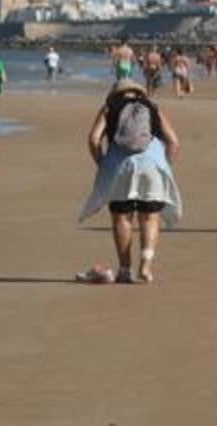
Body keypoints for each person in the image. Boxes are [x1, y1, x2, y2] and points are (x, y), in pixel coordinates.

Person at [79, 79, 183, 284]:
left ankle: (125, 270)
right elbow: (173, 142)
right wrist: (164, 167)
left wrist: (102, 163)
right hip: (151, 165)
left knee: (122, 217)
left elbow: (93, 139)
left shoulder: (110, 108)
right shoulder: (152, 107)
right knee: (150, 217)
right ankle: (145, 266)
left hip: (119, 165)